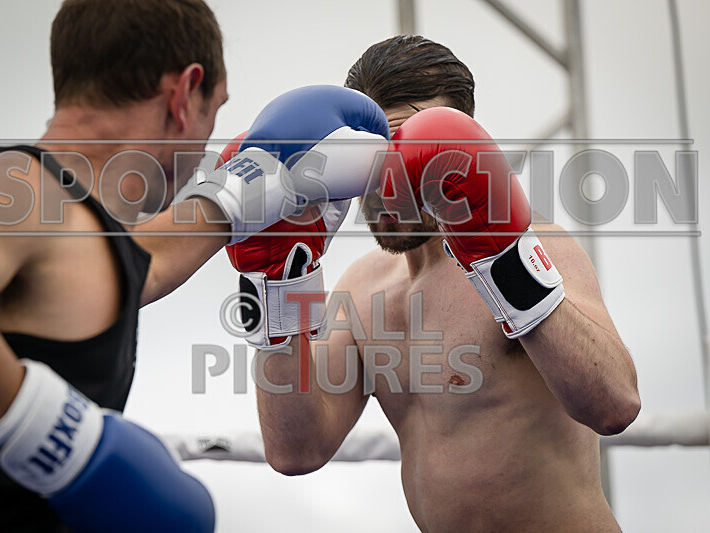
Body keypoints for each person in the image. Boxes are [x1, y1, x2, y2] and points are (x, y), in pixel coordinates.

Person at [0, 0, 389, 530]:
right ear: (183, 95)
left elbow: (144, 260)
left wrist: (266, 184)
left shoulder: (76, 231)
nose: (205, 144)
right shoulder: (18, 188)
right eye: (214, 110)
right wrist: (54, 439)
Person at [242, 35, 641, 532]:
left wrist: (506, 265)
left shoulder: (540, 247)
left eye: (413, 152)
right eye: (377, 156)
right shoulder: (363, 287)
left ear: (461, 148)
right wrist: (276, 285)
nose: (392, 183)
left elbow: (615, 405)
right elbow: (296, 449)